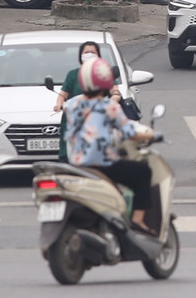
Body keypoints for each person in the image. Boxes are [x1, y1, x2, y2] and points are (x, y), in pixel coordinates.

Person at [63, 57, 156, 232]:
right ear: (106, 81)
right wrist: (149, 133)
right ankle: (137, 219)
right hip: (102, 164)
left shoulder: (72, 104)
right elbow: (129, 131)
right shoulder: (109, 106)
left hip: (76, 164)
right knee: (144, 172)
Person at [54, 40, 104, 161]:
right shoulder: (73, 75)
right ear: (80, 56)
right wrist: (59, 104)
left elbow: (114, 90)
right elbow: (63, 94)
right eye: (86, 52)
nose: (89, 54)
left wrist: (114, 97)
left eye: (93, 52)